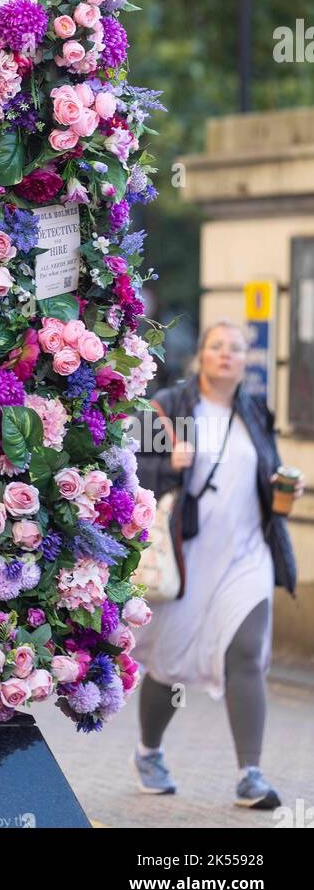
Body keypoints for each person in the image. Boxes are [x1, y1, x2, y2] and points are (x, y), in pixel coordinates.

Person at [131, 320, 304, 809]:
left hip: (247, 555)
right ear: (201, 355)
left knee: (248, 654)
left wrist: (284, 492)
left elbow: (262, 478)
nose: (226, 355)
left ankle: (250, 774)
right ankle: (149, 751)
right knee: (170, 666)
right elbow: (131, 469)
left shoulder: (255, 412)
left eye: (235, 349)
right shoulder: (170, 406)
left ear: (246, 360)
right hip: (188, 557)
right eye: (216, 346)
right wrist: (170, 465)